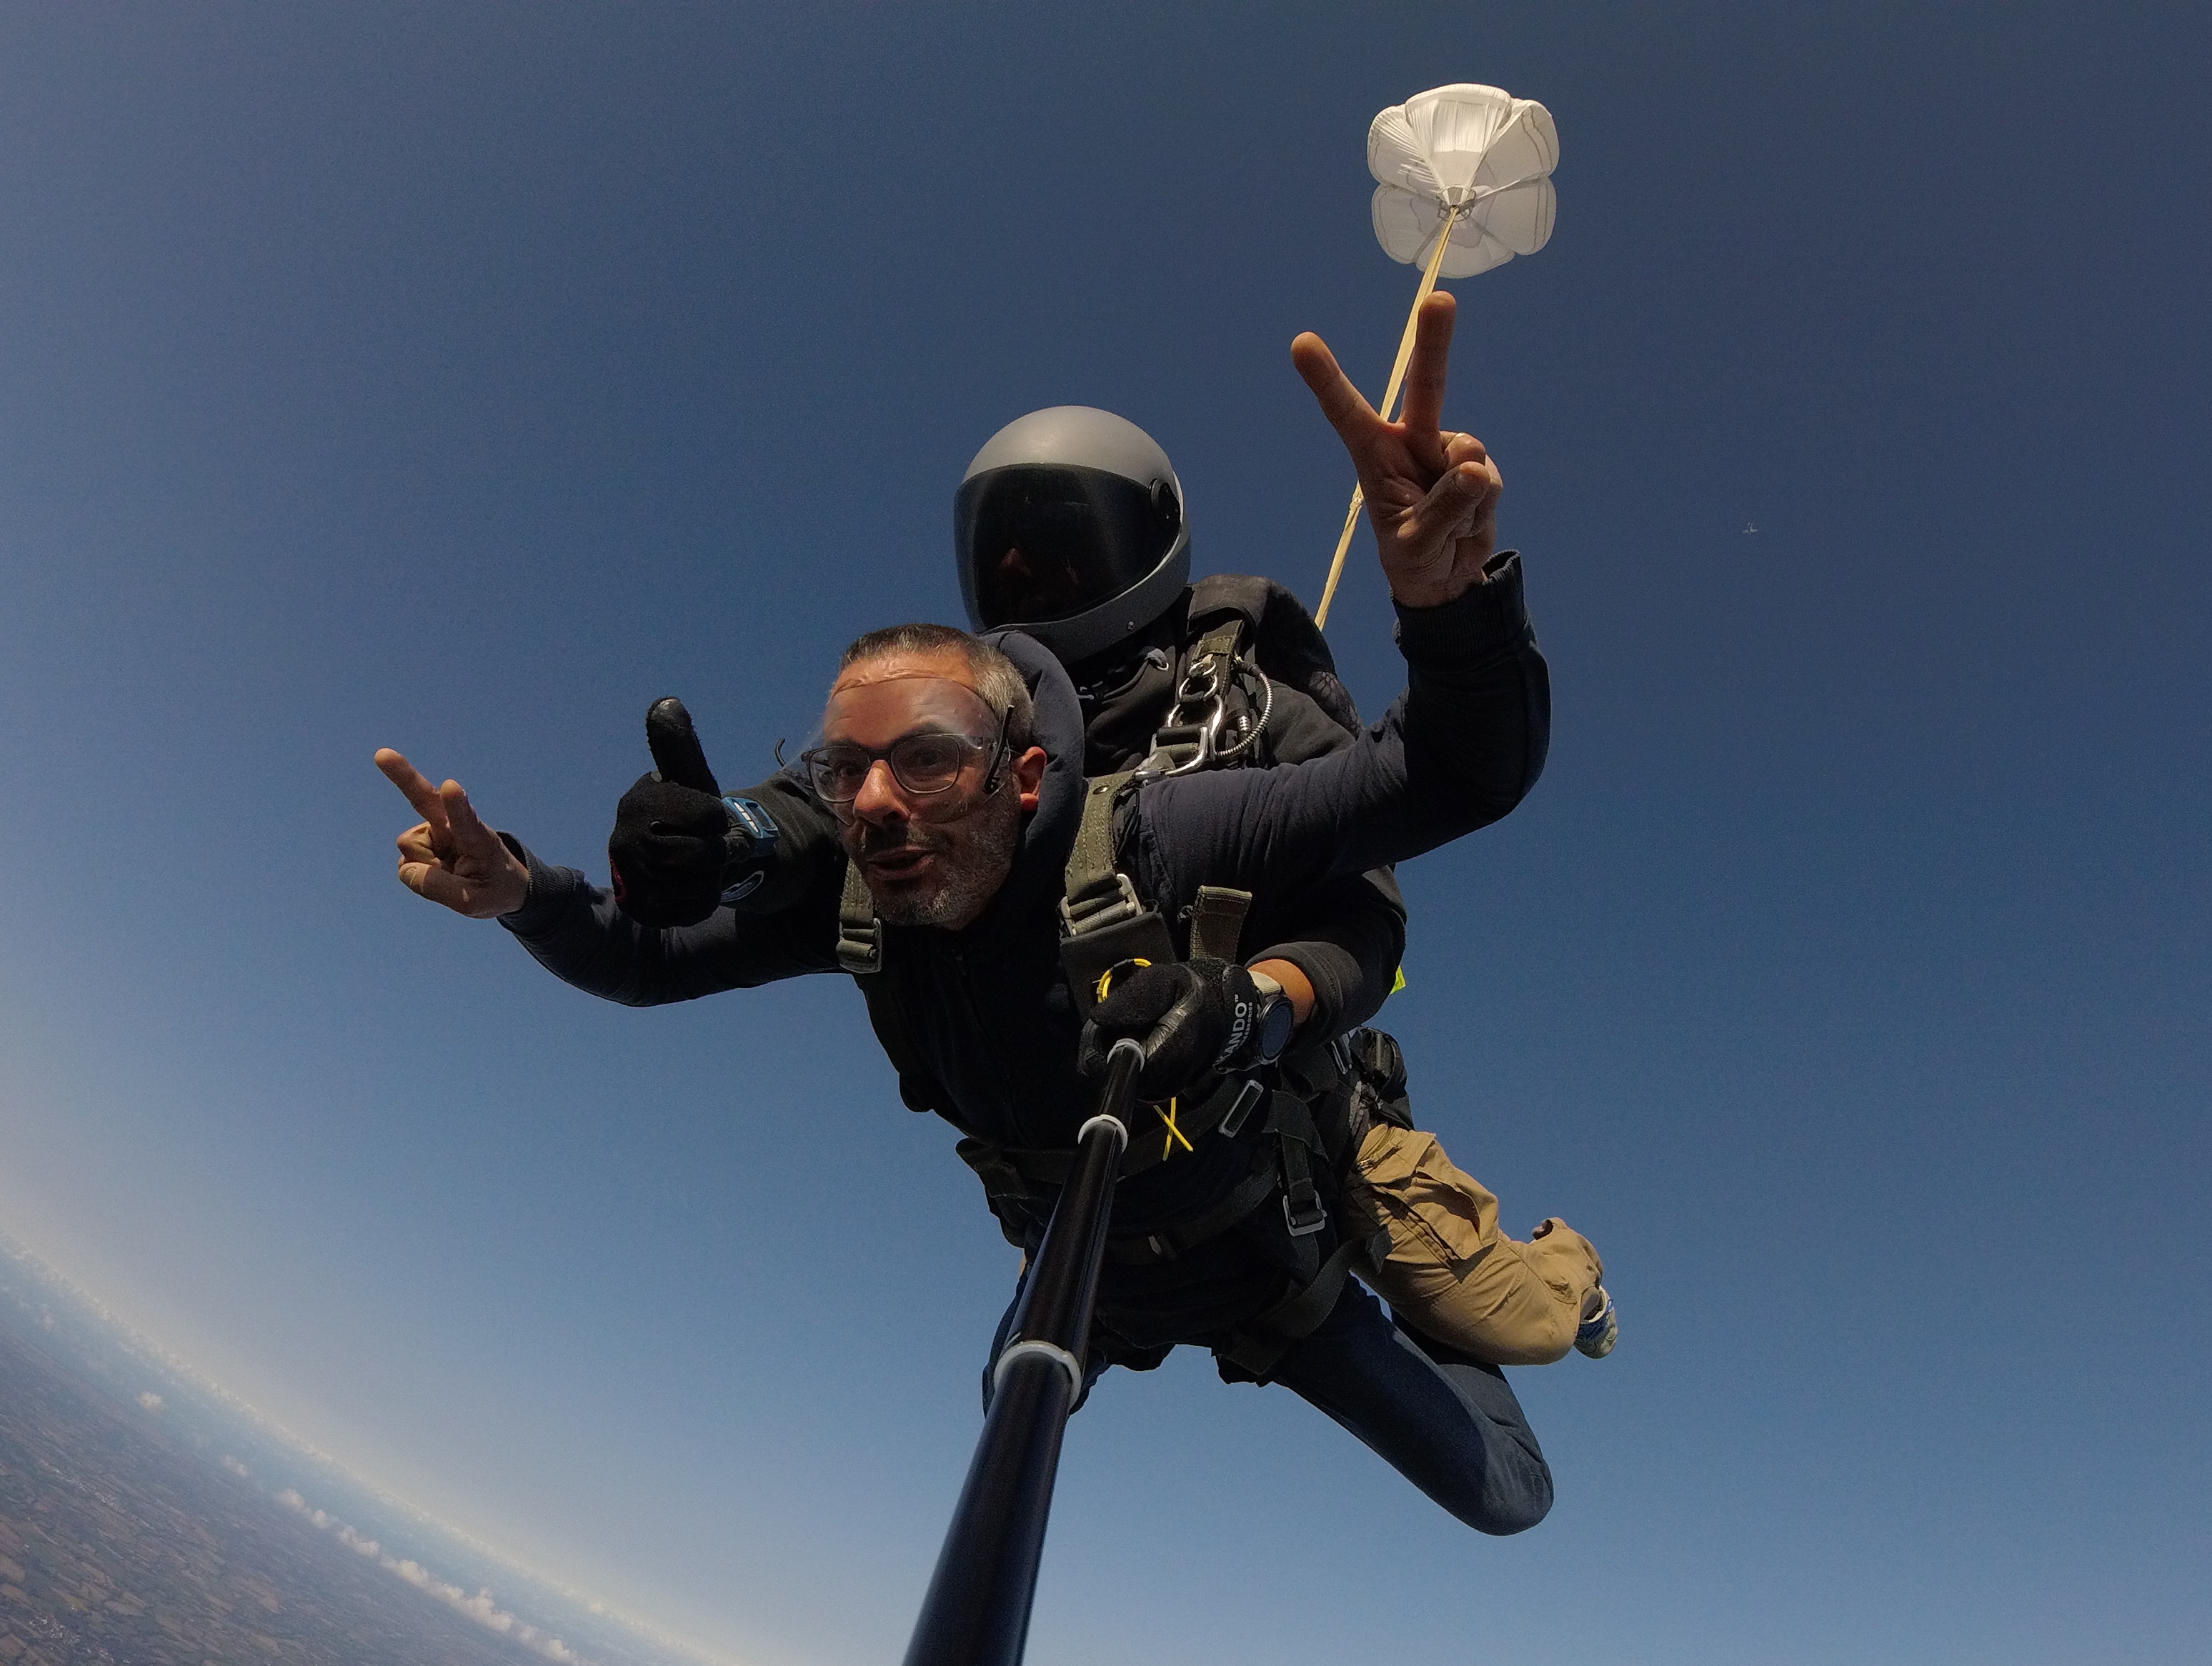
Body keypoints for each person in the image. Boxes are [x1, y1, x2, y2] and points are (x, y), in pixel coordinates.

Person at [379, 297, 1562, 1535]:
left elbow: (1440, 786)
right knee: (1013, 1404)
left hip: (1276, 1250)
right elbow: (658, 945)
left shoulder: (1176, 806)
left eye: (929, 765)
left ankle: (1456, 1271)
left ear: (1025, 774)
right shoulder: (876, 874)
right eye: (848, 777)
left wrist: (1452, 614)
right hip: (1088, 1252)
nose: (880, 807)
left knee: (1510, 1496)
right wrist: (548, 887)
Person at [950, 396, 1613, 1369]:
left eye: (1052, 532)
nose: (1015, 561)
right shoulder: (969, 745)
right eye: (994, 540)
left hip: (1301, 1107)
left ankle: (1572, 1268)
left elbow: (1373, 911)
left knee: (1525, 1328)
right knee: (1019, 1380)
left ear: (1138, 543)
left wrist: (1259, 1002)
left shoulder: (1247, 710)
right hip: (1111, 1152)